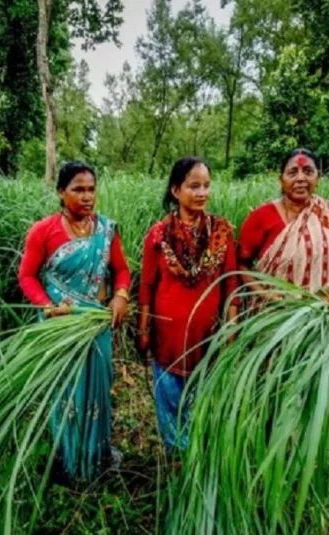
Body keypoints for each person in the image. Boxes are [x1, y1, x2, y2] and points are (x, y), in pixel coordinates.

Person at [18, 161, 130, 480]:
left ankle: (97, 456)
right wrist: (47, 306)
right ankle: (68, 460)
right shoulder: (44, 231)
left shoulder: (106, 230)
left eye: (91, 189)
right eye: (77, 189)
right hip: (61, 324)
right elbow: (27, 277)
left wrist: (120, 295)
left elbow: (121, 269)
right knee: (66, 392)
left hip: (96, 324)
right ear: (60, 192)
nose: (86, 196)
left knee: (98, 388)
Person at [137, 157, 239, 452]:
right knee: (170, 405)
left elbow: (231, 283)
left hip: (207, 339)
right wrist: (143, 329)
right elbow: (147, 285)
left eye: (206, 186)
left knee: (202, 405)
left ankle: (198, 456)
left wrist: (231, 329)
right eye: (194, 186)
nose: (202, 193)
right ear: (175, 191)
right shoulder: (158, 236)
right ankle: (176, 460)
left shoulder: (221, 233)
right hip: (167, 339)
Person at [237, 148, 329, 312]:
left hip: (326, 316)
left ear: (318, 177)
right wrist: (266, 295)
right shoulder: (261, 217)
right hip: (275, 316)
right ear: (281, 180)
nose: (301, 178)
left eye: (308, 171)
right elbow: (241, 264)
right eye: (292, 172)